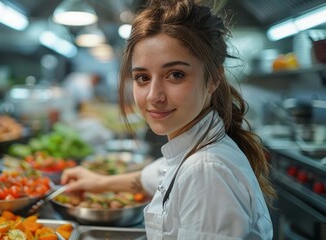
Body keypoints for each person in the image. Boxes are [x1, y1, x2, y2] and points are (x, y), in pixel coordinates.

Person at [61, 0, 276, 239]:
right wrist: (100, 183)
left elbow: (190, 175)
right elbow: (158, 174)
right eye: (142, 77)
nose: (154, 96)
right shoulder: (194, 150)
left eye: (175, 75)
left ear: (214, 78)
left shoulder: (205, 172)